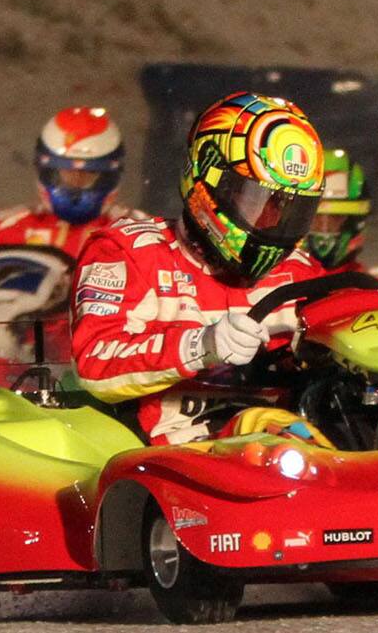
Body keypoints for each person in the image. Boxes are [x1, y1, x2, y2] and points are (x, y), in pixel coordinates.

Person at [70, 91, 330, 445]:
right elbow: (94, 365)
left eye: (287, 210)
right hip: (174, 453)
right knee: (266, 430)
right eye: (256, 201)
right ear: (208, 180)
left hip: (289, 443)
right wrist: (200, 344)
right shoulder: (129, 251)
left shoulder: (299, 270)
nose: (271, 222)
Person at [0, 105, 133, 265]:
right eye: (66, 173)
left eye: (87, 175)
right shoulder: (7, 229)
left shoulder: (138, 235)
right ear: (46, 171)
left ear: (109, 176)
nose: (75, 182)